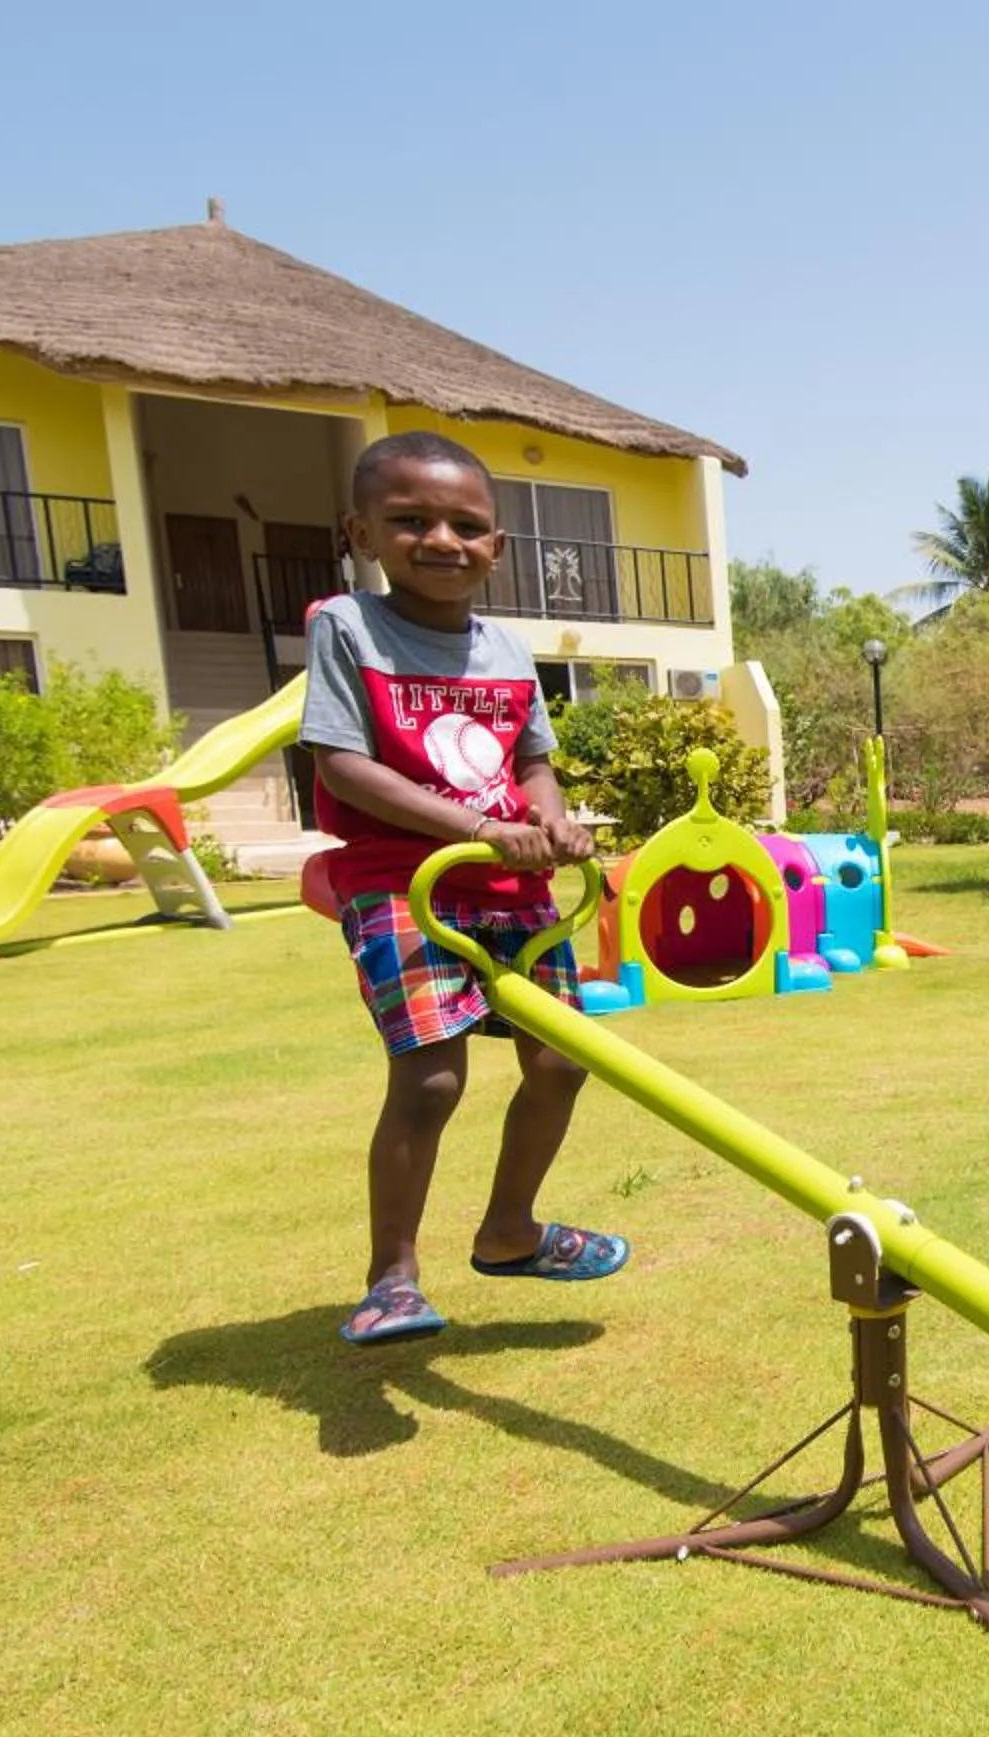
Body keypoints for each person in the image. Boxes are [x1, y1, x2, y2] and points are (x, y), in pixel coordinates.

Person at [300, 432, 629, 1345]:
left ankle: (511, 1232)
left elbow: (532, 766)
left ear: (496, 545)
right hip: (402, 883)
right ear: (361, 533)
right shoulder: (348, 627)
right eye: (411, 521)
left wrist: (552, 822)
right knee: (432, 1078)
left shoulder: (508, 650)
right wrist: (479, 830)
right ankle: (391, 1279)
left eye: (466, 526)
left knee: (562, 1059)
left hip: (512, 885)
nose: (442, 540)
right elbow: (343, 765)